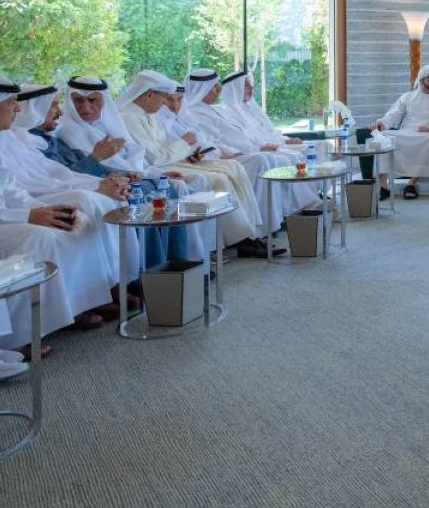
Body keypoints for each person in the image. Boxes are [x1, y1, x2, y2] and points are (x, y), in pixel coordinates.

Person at [0, 77, 123, 344]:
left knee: (72, 223)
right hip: (6, 219)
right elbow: (31, 186)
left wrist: (45, 210)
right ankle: (19, 336)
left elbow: (14, 192)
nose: (17, 108)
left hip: (11, 214)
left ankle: (81, 303)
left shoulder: (5, 139)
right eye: (11, 103)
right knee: (42, 237)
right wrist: (29, 215)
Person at [15, 83, 189, 268]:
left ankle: (174, 262)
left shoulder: (47, 138)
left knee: (160, 186)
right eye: (53, 106)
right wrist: (99, 165)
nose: (60, 112)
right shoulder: (31, 141)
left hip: (97, 180)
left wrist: (126, 174)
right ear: (35, 110)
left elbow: (75, 167)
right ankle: (149, 268)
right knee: (142, 196)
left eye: (92, 100)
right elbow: (59, 176)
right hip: (75, 190)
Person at [118, 70, 261, 250]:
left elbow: (162, 150)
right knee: (215, 179)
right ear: (149, 95)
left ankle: (247, 233)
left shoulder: (147, 115)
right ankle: (221, 243)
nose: (165, 104)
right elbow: (155, 158)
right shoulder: (128, 118)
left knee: (231, 168)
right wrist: (184, 143)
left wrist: (188, 154)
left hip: (169, 162)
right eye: (164, 98)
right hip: (151, 169)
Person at [167, 79, 318, 242]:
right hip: (202, 160)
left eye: (179, 99)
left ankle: (272, 221)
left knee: (272, 158)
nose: (216, 92)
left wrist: (267, 144)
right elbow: (215, 141)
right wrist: (234, 152)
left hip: (220, 154)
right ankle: (248, 234)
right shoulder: (194, 112)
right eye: (210, 88)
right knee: (260, 161)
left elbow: (215, 141)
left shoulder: (208, 111)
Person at [371, 64, 429, 200]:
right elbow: (393, 115)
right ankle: (383, 185)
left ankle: (412, 183)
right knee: (384, 136)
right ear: (422, 80)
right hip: (407, 131)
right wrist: (382, 123)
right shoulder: (407, 97)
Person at [217, 71, 305, 155]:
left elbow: (268, 131)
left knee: (309, 146)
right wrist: (262, 146)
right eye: (246, 85)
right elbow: (245, 140)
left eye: (250, 84)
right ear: (235, 89)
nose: (251, 87)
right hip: (257, 150)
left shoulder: (251, 108)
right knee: (295, 154)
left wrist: (285, 140)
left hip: (273, 145)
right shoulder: (229, 114)